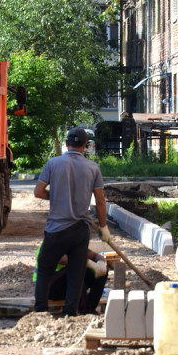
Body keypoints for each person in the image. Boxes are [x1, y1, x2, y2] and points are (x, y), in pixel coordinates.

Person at [33, 127, 110, 316]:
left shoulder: (53, 163)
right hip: (80, 229)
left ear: (66, 144)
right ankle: (70, 312)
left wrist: (56, 195)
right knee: (77, 272)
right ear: (85, 145)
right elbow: (100, 201)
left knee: (44, 268)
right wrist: (104, 226)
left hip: (56, 229)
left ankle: (41, 311)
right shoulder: (93, 168)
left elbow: (38, 192)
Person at [37, 248, 108, 315]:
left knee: (102, 271)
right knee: (76, 269)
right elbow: (63, 260)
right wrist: (88, 262)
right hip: (48, 288)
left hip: (68, 288)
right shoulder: (52, 243)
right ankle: (85, 310)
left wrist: (101, 263)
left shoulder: (75, 245)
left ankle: (91, 307)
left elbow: (96, 255)